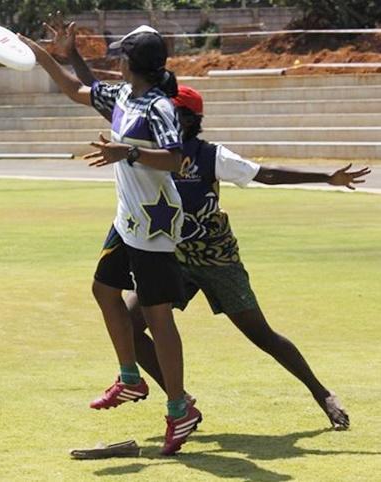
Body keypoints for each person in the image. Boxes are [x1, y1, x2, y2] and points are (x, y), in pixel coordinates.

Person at [45, 17, 371, 430]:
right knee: (129, 321)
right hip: (172, 253)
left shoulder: (208, 154)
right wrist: (71, 55)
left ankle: (321, 392)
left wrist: (327, 178)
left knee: (261, 335)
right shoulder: (143, 127)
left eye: (173, 114)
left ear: (187, 122)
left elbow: (264, 173)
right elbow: (107, 99)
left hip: (215, 257)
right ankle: (180, 402)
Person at [19, 29, 202, 456]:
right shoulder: (122, 95)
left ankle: (181, 410)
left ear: (127, 62)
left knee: (158, 318)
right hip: (129, 219)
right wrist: (44, 55)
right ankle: (131, 379)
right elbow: (74, 88)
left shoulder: (158, 106)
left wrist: (129, 153)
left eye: (120, 55)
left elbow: (177, 158)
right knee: (104, 290)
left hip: (155, 223)